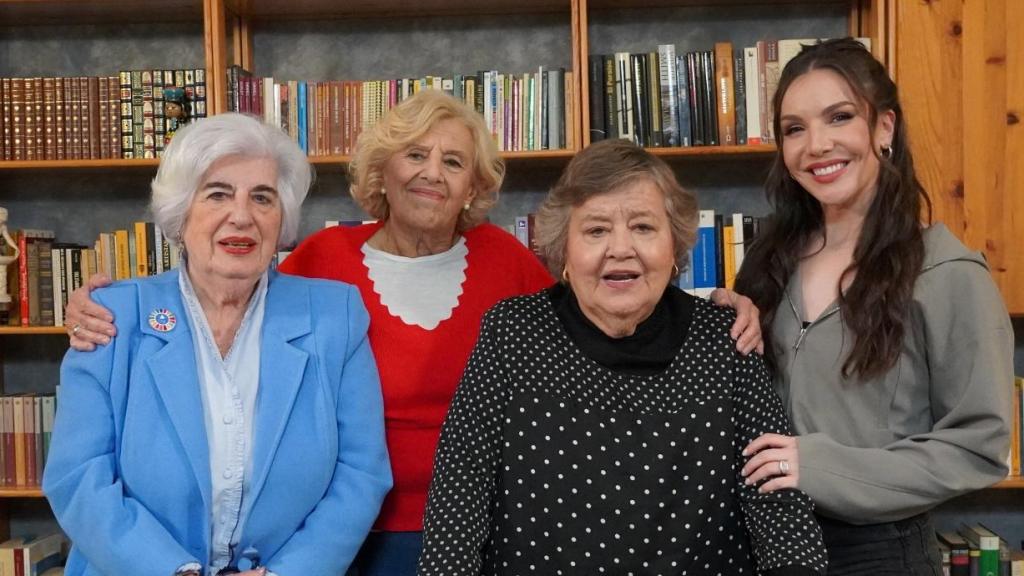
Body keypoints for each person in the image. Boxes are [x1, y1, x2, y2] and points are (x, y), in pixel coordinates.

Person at [61, 90, 762, 575]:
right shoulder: (324, 268)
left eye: (453, 162)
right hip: (348, 540)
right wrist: (103, 303)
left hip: (489, 525)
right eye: (415, 155)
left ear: (473, 185)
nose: (432, 173)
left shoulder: (507, 264)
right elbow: (225, 284)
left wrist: (713, 308)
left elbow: (605, 309)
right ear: (382, 170)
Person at [418, 138, 827, 575]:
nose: (620, 248)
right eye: (596, 230)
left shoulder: (725, 338)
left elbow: (780, 504)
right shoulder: (512, 333)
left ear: (675, 248)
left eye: (643, 227)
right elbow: (458, 499)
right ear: (565, 252)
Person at [43, 113, 392, 576]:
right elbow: (77, 476)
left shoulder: (334, 316)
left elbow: (360, 473)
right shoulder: (112, 318)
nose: (242, 216)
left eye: (262, 198)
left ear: (282, 218)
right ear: (181, 212)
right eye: (218, 194)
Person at [729, 38, 1012, 574]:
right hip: (764, 543)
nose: (816, 145)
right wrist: (727, 314)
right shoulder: (770, 262)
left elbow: (979, 448)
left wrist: (823, 466)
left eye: (838, 117)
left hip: (878, 553)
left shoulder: (945, 271)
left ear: (884, 127)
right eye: (794, 129)